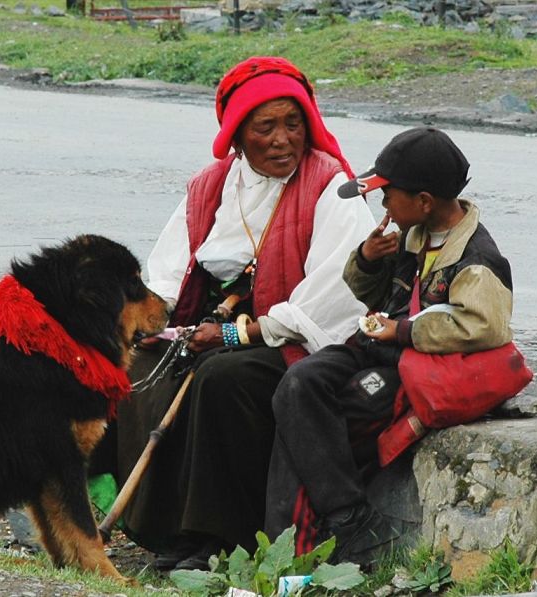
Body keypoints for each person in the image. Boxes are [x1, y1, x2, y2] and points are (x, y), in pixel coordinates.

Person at [96, 56, 376, 571]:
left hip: (293, 338)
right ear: (237, 134)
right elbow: (167, 271)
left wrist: (238, 332)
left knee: (223, 381)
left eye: (294, 124)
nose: (282, 139)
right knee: (142, 369)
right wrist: (153, 327)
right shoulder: (211, 185)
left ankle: (220, 539)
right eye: (264, 127)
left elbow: (337, 291)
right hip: (216, 324)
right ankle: (163, 530)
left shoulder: (331, 184)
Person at [264, 126, 515, 565]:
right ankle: (344, 516)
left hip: (412, 367)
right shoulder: (414, 235)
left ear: (422, 201)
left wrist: (400, 332)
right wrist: (367, 259)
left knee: (320, 417)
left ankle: (314, 538)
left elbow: (484, 327)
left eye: (388, 195)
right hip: (376, 347)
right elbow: (379, 298)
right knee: (299, 383)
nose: (382, 205)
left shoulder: (477, 260)